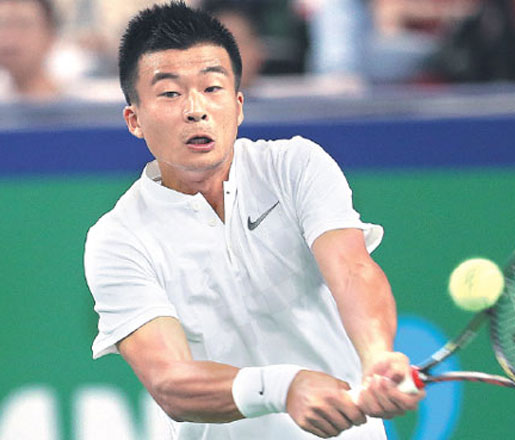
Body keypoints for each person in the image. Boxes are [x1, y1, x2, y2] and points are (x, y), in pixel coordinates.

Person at [83, 2, 424, 439]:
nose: (196, 109)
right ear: (134, 120)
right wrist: (284, 388)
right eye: (170, 93)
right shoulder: (118, 238)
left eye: (213, 88)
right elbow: (170, 381)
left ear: (239, 105)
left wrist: (376, 356)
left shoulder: (295, 165)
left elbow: (353, 269)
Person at [0, 0, 60, 101]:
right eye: (3, 25)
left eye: (23, 25)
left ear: (50, 37)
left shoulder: (81, 104)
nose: (9, 37)